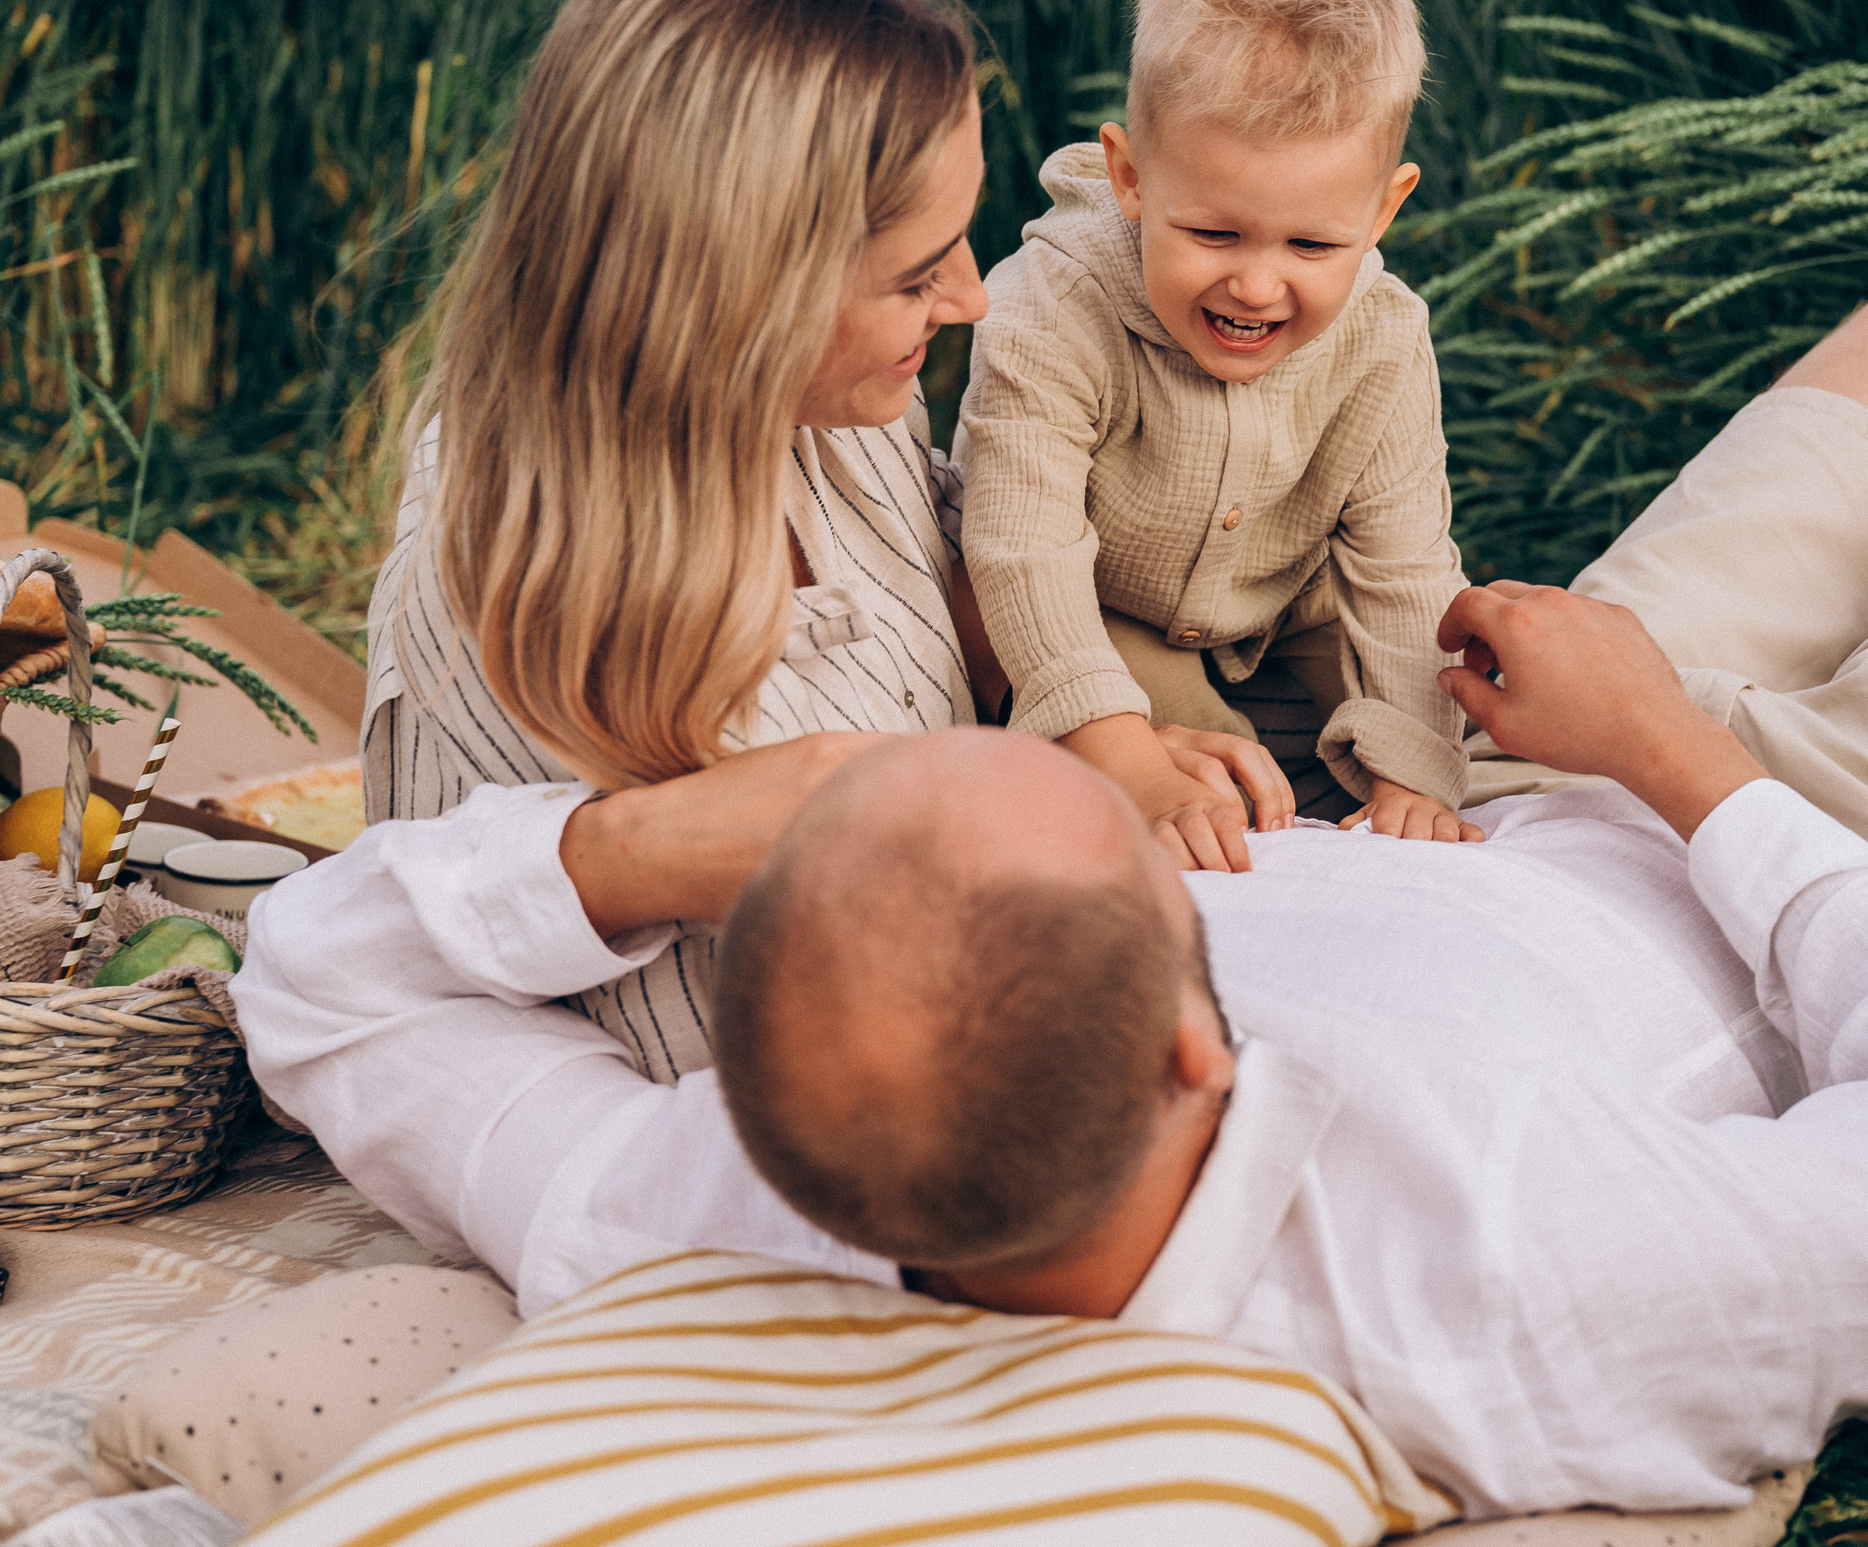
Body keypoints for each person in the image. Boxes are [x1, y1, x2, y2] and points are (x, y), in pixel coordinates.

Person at [241, 284, 1868, 1517]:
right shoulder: (1513, 1283)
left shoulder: (711, 1193)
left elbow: (321, 982)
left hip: (1503, 780)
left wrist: (639, 843)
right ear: (1193, 1033)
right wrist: (1691, 770)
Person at [356, 0, 1280, 1084]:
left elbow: (952, 611)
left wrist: (1086, 742)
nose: (974, 299)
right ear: (735, 289)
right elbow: (438, 1007)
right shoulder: (503, 613)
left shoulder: (835, 420)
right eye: (914, 275)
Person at [956, 0, 1474, 872]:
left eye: (1311, 245)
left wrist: (1417, 774)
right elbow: (1024, 549)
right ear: (1130, 175)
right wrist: (1128, 759)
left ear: (1383, 212)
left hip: (1284, 606)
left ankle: (1357, 793)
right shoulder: (1051, 307)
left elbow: (1403, 569)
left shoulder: (1383, 339)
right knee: (1209, 783)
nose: (1257, 285)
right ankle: (1227, 809)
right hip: (1100, 605)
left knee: (1405, 711)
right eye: (1211, 233)